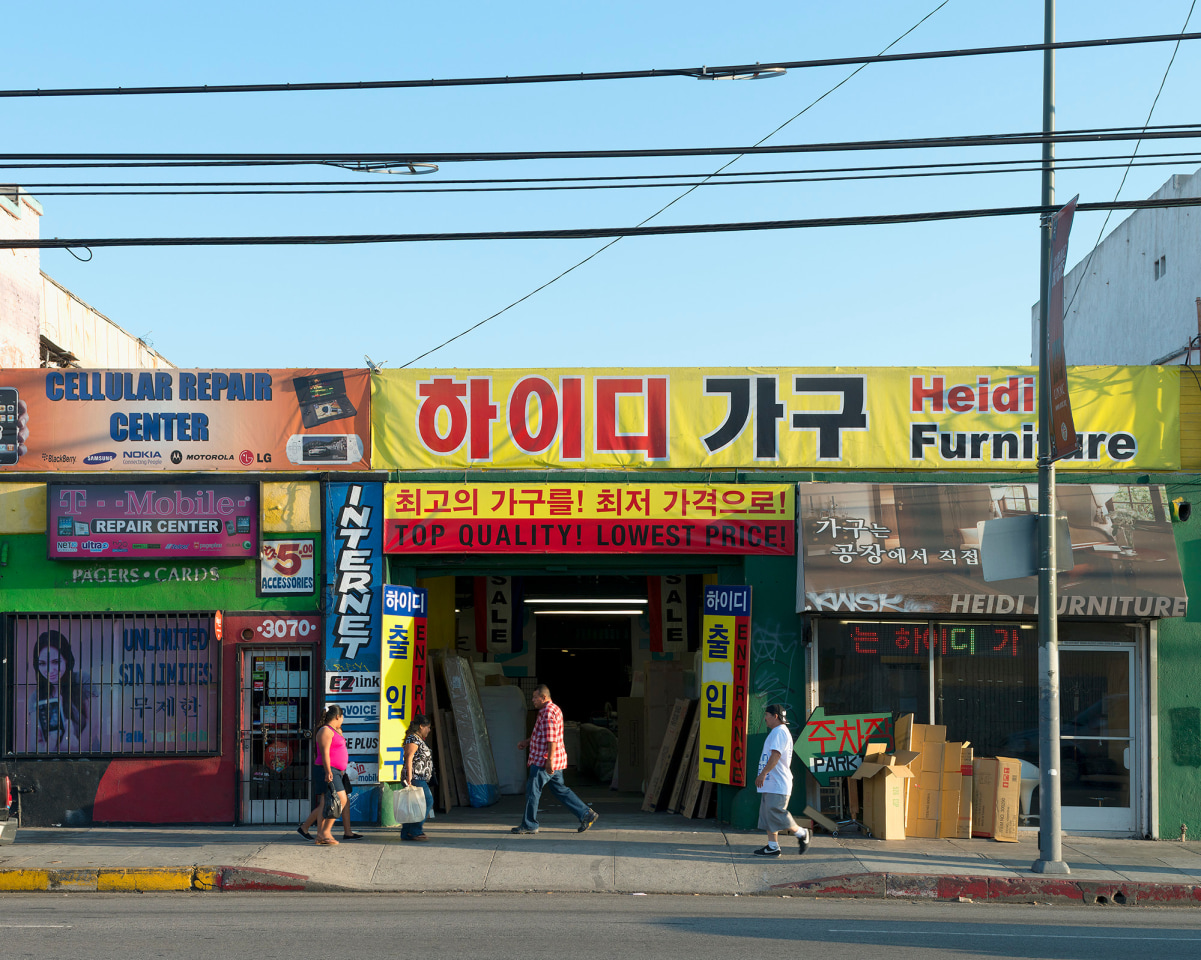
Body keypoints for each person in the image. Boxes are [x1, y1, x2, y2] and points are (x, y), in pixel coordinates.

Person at [511, 685, 599, 835]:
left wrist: (549, 761)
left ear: (544, 697)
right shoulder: (551, 710)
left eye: (535, 697)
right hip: (553, 760)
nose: (532, 700)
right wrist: (527, 742)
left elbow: (551, 740)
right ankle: (586, 813)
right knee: (560, 790)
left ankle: (529, 824)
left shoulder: (548, 712)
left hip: (543, 761)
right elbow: (542, 734)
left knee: (533, 791)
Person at [297, 705, 363, 845]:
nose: (343, 719)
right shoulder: (325, 731)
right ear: (338, 716)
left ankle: (321, 835)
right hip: (327, 769)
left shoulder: (335, 731)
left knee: (326, 802)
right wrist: (328, 771)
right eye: (343, 716)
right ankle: (324, 832)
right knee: (340, 799)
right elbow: (325, 753)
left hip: (337, 771)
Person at [752, 703, 810, 857]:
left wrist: (763, 774)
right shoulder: (777, 732)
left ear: (775, 716)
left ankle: (802, 833)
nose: (765, 718)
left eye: (766, 715)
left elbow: (776, 756)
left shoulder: (779, 732)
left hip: (777, 783)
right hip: (772, 783)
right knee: (768, 815)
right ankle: (773, 846)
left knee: (776, 813)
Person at [31, 630, 98, 752]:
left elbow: (93, 725)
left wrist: (75, 753)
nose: (50, 670)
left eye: (56, 662)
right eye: (42, 663)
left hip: (87, 757)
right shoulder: (36, 695)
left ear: (66, 660)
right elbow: (34, 742)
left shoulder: (82, 679)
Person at [400, 714, 435, 842]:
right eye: (428, 727)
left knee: (413, 805)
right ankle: (415, 830)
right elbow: (409, 757)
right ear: (421, 726)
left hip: (418, 777)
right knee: (427, 801)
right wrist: (410, 776)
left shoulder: (418, 739)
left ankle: (407, 832)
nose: (429, 730)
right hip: (415, 777)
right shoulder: (413, 739)